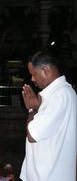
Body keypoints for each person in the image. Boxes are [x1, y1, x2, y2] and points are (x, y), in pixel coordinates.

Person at [20, 50, 77, 181]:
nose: (32, 79)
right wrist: (37, 107)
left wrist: (31, 109)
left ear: (45, 69)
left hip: (50, 175)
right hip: (46, 173)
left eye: (34, 74)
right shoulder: (57, 94)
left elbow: (32, 135)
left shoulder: (60, 96)